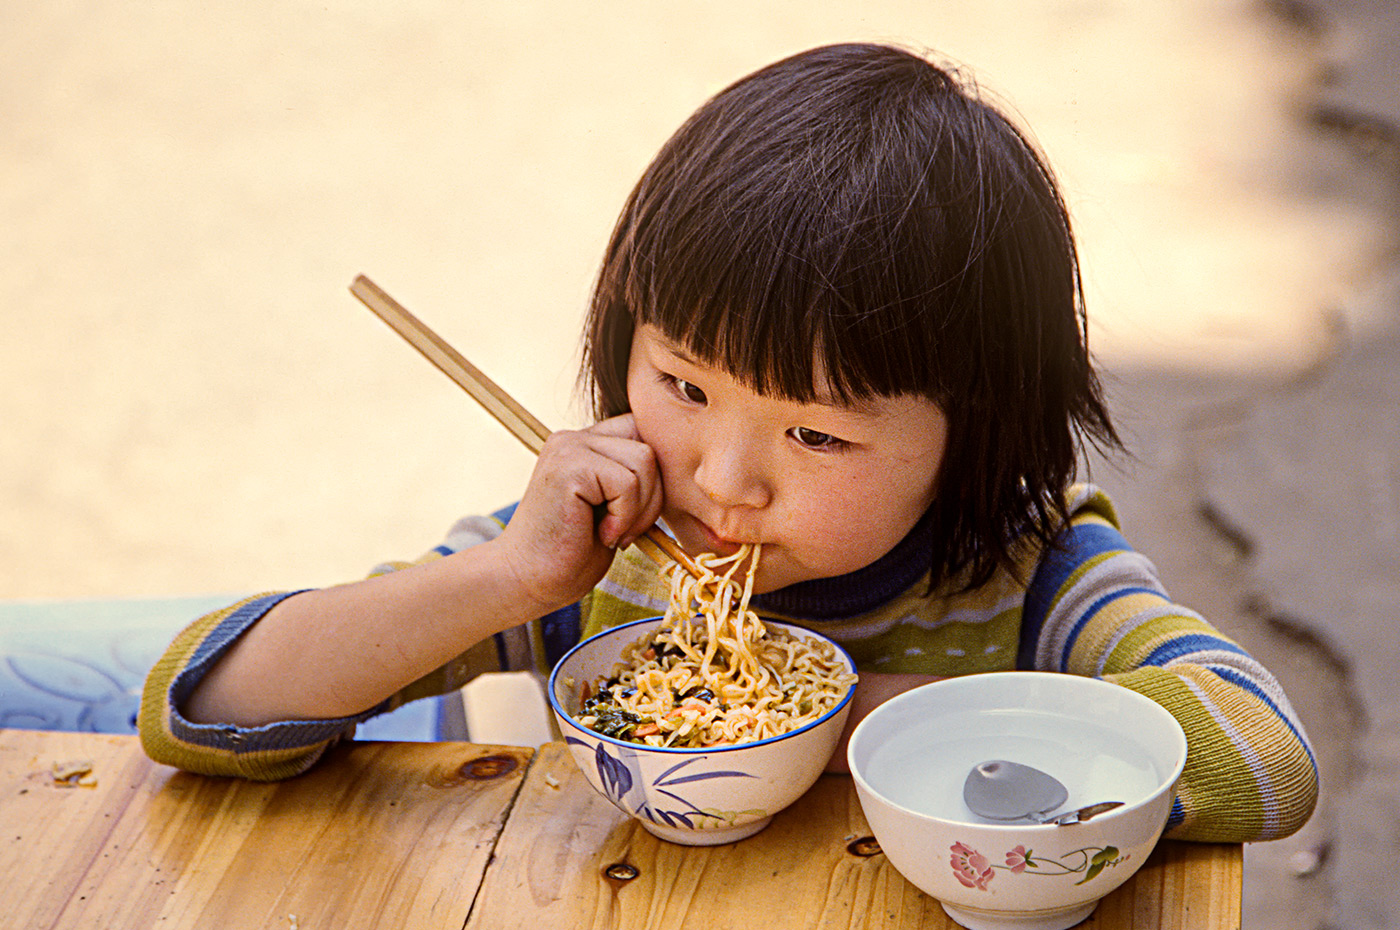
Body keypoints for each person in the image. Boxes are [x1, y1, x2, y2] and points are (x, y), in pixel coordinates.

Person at [140, 42, 1317, 843]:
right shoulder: (600, 556)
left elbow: (1265, 757)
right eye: (681, 384)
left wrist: (826, 721)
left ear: (973, 440)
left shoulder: (1028, 572)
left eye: (813, 431)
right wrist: (505, 577)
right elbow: (201, 703)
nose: (721, 477)